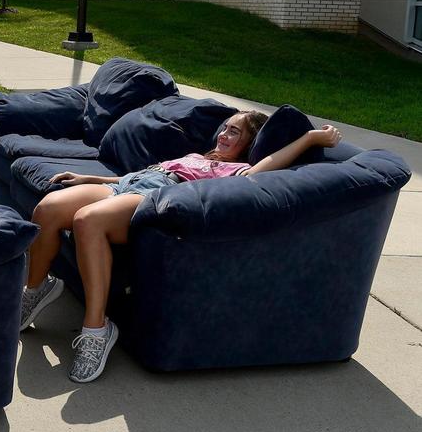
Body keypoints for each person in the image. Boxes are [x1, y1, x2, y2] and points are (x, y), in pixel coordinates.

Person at [19, 110, 343, 383]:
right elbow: (140, 175)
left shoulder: (237, 170)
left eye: (235, 132)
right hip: (132, 184)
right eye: (224, 128)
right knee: (48, 208)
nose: (224, 135)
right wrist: (90, 180)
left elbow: (268, 163)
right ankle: (36, 289)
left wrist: (310, 139)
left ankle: (96, 329)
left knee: (88, 220)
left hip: (155, 198)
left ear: (249, 142)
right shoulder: (196, 157)